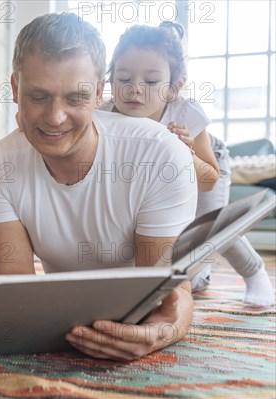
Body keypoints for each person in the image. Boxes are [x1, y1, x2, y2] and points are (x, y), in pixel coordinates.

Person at [0, 12, 198, 361]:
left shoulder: (160, 154)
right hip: (63, 312)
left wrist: (160, 332)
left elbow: (173, 295)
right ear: (14, 89)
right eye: (38, 97)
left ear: (99, 93)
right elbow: (16, 296)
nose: (55, 118)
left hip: (138, 307)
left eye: (75, 99)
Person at [104, 22, 274, 306]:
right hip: (151, 175)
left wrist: (186, 154)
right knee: (182, 270)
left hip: (203, 165)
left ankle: (254, 271)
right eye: (123, 79)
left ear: (173, 88)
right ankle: (201, 272)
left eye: (150, 82)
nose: (134, 89)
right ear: (110, 81)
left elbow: (208, 179)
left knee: (209, 220)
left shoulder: (184, 112)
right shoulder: (106, 114)